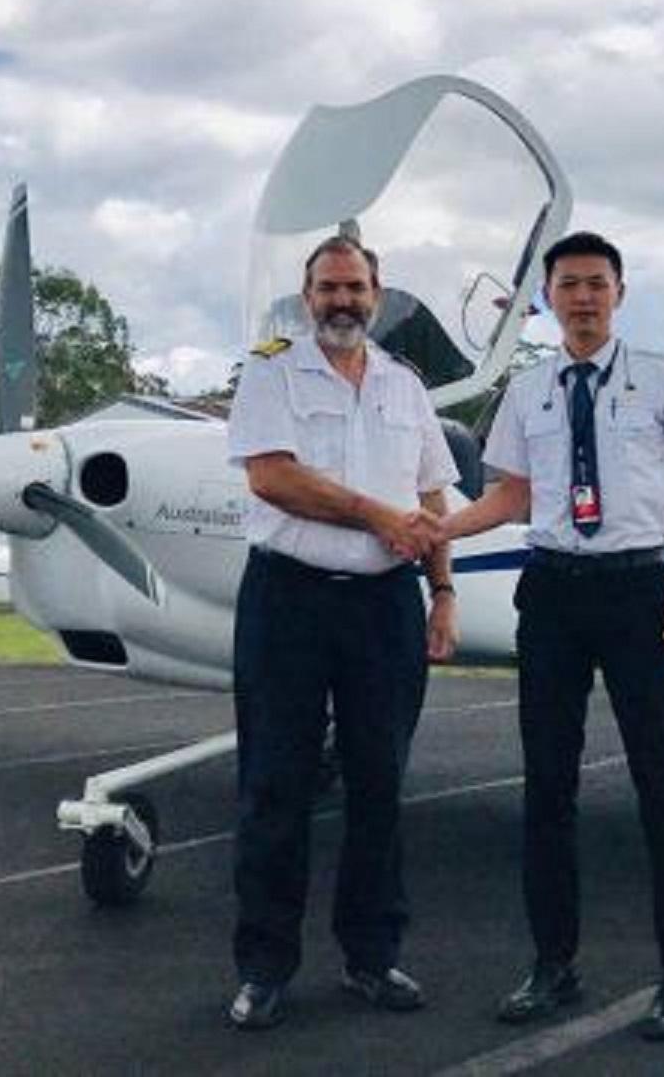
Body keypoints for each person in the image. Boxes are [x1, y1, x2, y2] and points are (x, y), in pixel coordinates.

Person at [441, 230, 664, 1043]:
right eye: (568, 285)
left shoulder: (662, 379)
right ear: (548, 297)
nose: (583, 297)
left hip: (637, 590)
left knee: (661, 782)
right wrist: (436, 529)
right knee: (547, 788)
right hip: (553, 592)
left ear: (620, 292)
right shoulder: (528, 390)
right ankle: (552, 962)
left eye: (597, 283)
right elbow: (512, 496)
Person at [222, 234, 460, 1032]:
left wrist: (444, 591)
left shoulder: (405, 386)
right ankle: (263, 967)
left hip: (385, 606)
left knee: (380, 786)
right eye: (327, 288)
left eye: (355, 288)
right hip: (287, 600)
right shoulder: (269, 367)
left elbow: (431, 492)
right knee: (274, 788)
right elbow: (271, 475)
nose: (342, 302)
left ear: (378, 296)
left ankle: (371, 954)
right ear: (305, 294)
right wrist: (373, 512)